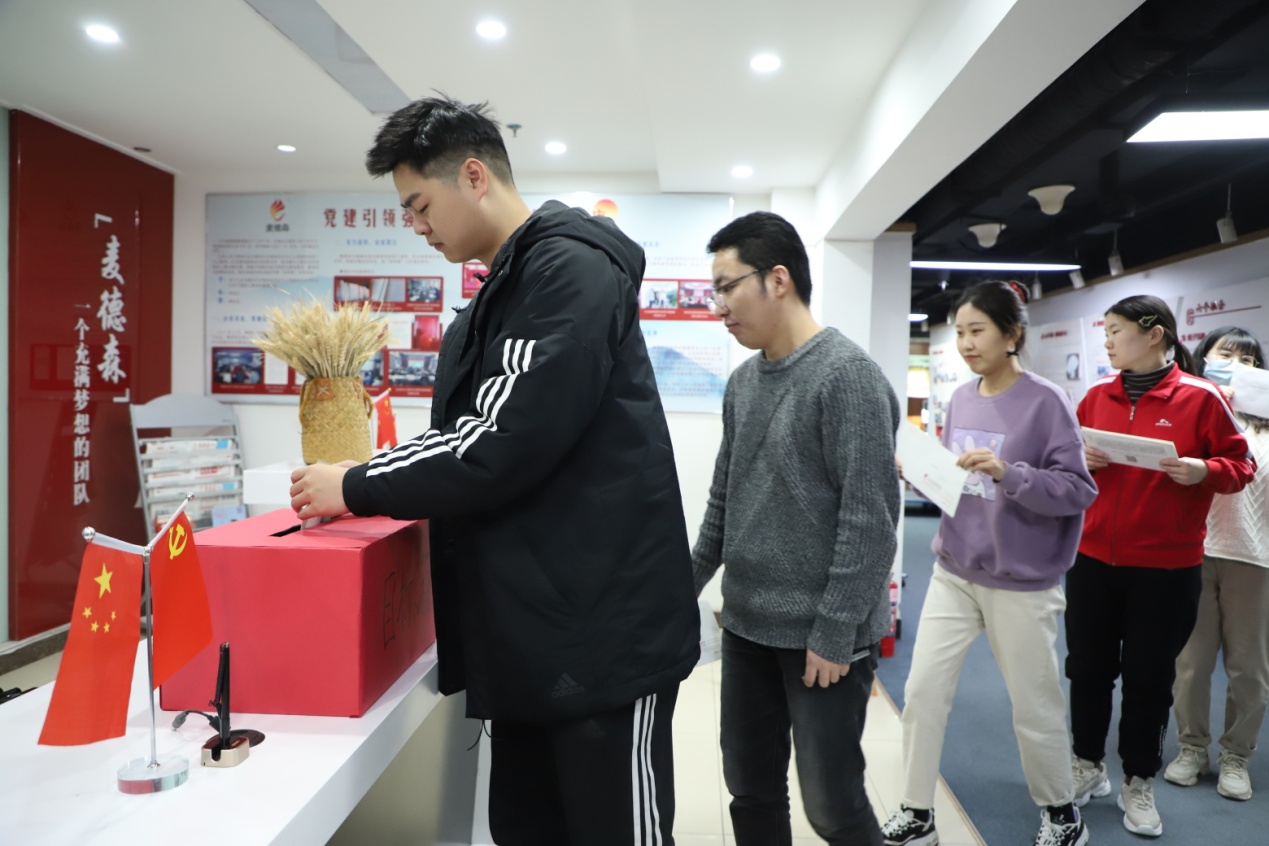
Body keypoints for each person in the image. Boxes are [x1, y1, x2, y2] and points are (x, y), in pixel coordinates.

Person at [287, 95, 700, 845]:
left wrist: (354, 483)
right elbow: (464, 437)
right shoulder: (500, 293)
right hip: (535, 638)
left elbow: (496, 441)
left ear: (474, 176)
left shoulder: (569, 270)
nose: (416, 226)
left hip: (603, 639)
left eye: (420, 205)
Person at [691, 211, 900, 846]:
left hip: (823, 638)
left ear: (777, 279)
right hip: (747, 626)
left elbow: (870, 521)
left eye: (727, 287)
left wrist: (834, 632)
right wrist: (682, 586)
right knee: (750, 790)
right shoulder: (742, 383)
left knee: (832, 807)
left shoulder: (847, 376)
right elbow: (724, 501)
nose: (719, 306)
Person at [882, 281, 1097, 846]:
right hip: (955, 569)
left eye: (977, 330)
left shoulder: (1046, 401)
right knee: (923, 692)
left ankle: (1061, 813)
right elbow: (960, 485)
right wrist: (924, 475)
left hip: (1022, 582)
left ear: (1012, 334)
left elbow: (1078, 490)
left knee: (1033, 704)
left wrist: (1009, 473)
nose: (966, 343)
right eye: (960, 332)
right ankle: (916, 810)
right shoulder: (961, 398)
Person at [1067, 296, 1255, 838]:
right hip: (1092, 559)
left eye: (1116, 330)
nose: (1107, 341)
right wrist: (1079, 459)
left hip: (1167, 568)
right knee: (1087, 670)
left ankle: (1138, 779)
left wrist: (1203, 470)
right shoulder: (1096, 396)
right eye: (1105, 331)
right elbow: (1066, 462)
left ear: (1154, 334)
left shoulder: (1201, 397)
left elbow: (1241, 465)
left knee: (1149, 678)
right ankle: (1087, 763)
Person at [1166, 327, 1269, 801]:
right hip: (1195, 550)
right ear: (1204, 358)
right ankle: (1192, 748)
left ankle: (1236, 755)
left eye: (1248, 360)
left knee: (1249, 667)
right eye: (1226, 355)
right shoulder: (1190, 409)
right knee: (1191, 662)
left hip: (1254, 557)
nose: (1237, 367)